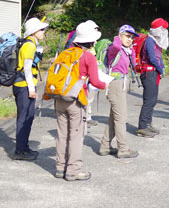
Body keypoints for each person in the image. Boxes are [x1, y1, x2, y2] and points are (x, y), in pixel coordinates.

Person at [54, 22, 107, 181]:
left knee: (62, 134)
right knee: (76, 135)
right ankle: (74, 170)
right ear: (90, 41)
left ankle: (60, 167)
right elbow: (96, 82)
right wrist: (107, 84)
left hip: (59, 98)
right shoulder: (88, 56)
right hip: (76, 100)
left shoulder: (65, 53)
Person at [99, 25, 139, 159]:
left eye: (132, 37)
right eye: (128, 36)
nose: (130, 39)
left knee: (113, 117)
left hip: (121, 83)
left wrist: (131, 49)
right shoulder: (114, 49)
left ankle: (105, 146)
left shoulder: (126, 50)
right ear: (120, 35)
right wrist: (118, 37)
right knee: (121, 118)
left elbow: (133, 64)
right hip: (115, 84)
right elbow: (116, 46)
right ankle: (123, 149)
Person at [12, 17, 48, 160]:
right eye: (41, 30)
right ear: (34, 32)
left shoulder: (31, 43)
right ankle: (20, 151)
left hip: (24, 85)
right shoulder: (30, 46)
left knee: (28, 117)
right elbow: (27, 69)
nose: (43, 32)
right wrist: (32, 89)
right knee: (24, 118)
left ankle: (24, 148)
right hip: (24, 86)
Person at [137, 18, 169, 138]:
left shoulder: (156, 41)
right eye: (163, 29)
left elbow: (158, 57)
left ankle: (148, 123)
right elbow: (152, 57)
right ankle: (142, 127)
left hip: (154, 73)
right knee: (149, 100)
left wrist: (162, 68)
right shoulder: (150, 41)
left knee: (153, 99)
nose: (165, 31)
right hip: (149, 73)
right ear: (158, 30)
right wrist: (160, 69)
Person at [64, 20, 100, 127]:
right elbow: (96, 81)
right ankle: (84, 118)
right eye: (95, 29)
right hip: (80, 75)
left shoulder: (74, 42)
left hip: (74, 77)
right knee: (83, 95)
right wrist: (104, 84)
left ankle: (84, 117)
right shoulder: (85, 52)